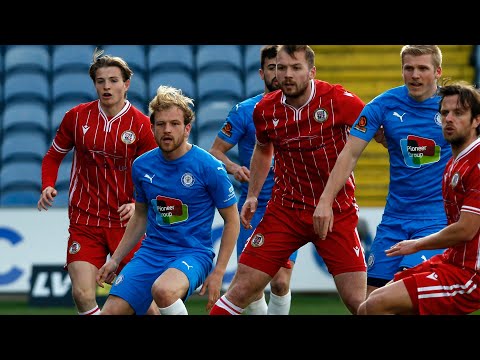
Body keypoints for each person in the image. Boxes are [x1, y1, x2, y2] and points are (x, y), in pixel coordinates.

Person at [209, 45, 367, 316]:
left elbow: (377, 130)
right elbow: (262, 148)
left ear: (312, 72)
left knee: (358, 302)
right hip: (285, 210)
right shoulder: (264, 109)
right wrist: (253, 195)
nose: (287, 74)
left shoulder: (338, 100)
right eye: (281, 68)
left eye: (295, 68)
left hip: (335, 211)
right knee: (242, 289)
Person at [315, 45, 452, 298]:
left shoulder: (453, 108)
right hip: (394, 221)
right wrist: (325, 200)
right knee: (370, 302)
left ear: (438, 71)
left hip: (437, 220)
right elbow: (350, 153)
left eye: (423, 68)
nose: (415, 75)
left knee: (407, 294)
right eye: (408, 68)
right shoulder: (384, 104)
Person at [96, 85, 240, 315]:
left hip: (193, 253)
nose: (167, 130)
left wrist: (219, 272)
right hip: (150, 253)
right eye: (161, 124)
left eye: (174, 124)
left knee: (164, 291)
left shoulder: (209, 167)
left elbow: (232, 219)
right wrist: (115, 260)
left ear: (187, 129)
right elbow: (141, 215)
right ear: (152, 128)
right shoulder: (141, 166)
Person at [37, 48, 159, 315]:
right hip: (85, 220)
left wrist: (137, 203)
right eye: (100, 81)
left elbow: (155, 175)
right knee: (82, 293)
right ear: (94, 84)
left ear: (126, 84)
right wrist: (48, 184)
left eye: (113, 80)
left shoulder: (141, 125)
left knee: (146, 306)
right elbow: (52, 156)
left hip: (126, 224)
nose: (107, 86)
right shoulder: (77, 116)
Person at [357, 81, 480, 315]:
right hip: (451, 261)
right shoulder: (455, 162)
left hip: (471, 275)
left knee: (376, 305)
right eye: (444, 113)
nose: (449, 119)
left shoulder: (476, 163)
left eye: (459, 113)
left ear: (477, 120)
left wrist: (416, 244)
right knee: (368, 304)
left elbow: (466, 230)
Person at [209, 45, 298, 315]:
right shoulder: (245, 110)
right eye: (272, 68)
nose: (278, 74)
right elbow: (215, 151)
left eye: (282, 67)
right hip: (253, 206)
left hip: (289, 207)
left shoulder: (302, 109)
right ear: (262, 73)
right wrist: (234, 167)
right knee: (251, 284)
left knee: (281, 282)